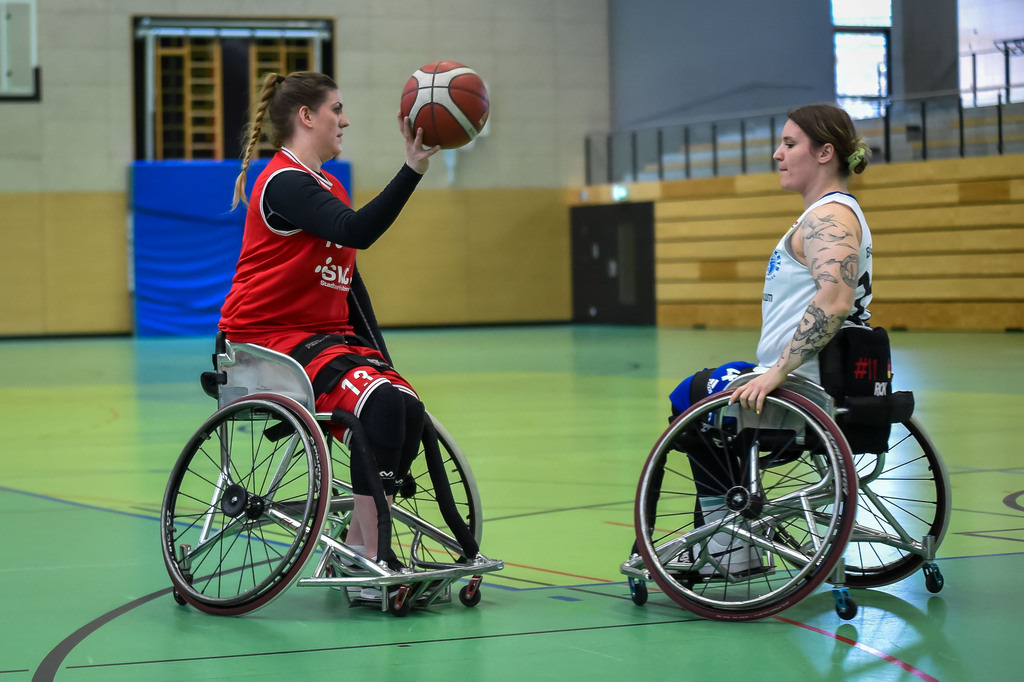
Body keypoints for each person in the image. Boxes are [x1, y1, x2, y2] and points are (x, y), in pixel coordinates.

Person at [218, 71, 440, 571]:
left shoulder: (327, 183)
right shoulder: (284, 181)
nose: (345, 120)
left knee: (404, 404)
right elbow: (356, 230)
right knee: (380, 404)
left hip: (319, 340)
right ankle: (370, 554)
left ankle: (362, 548)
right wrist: (411, 169)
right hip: (264, 342)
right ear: (306, 116)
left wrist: (381, 359)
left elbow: (350, 283)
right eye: (336, 109)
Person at [667, 103, 873, 573]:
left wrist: (778, 371)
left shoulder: (829, 217)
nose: (777, 153)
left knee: (691, 395)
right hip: (818, 379)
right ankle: (726, 539)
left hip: (804, 387)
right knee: (721, 385)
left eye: (789, 143)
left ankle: (728, 547)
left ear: (825, 153)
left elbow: (835, 300)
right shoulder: (828, 215)